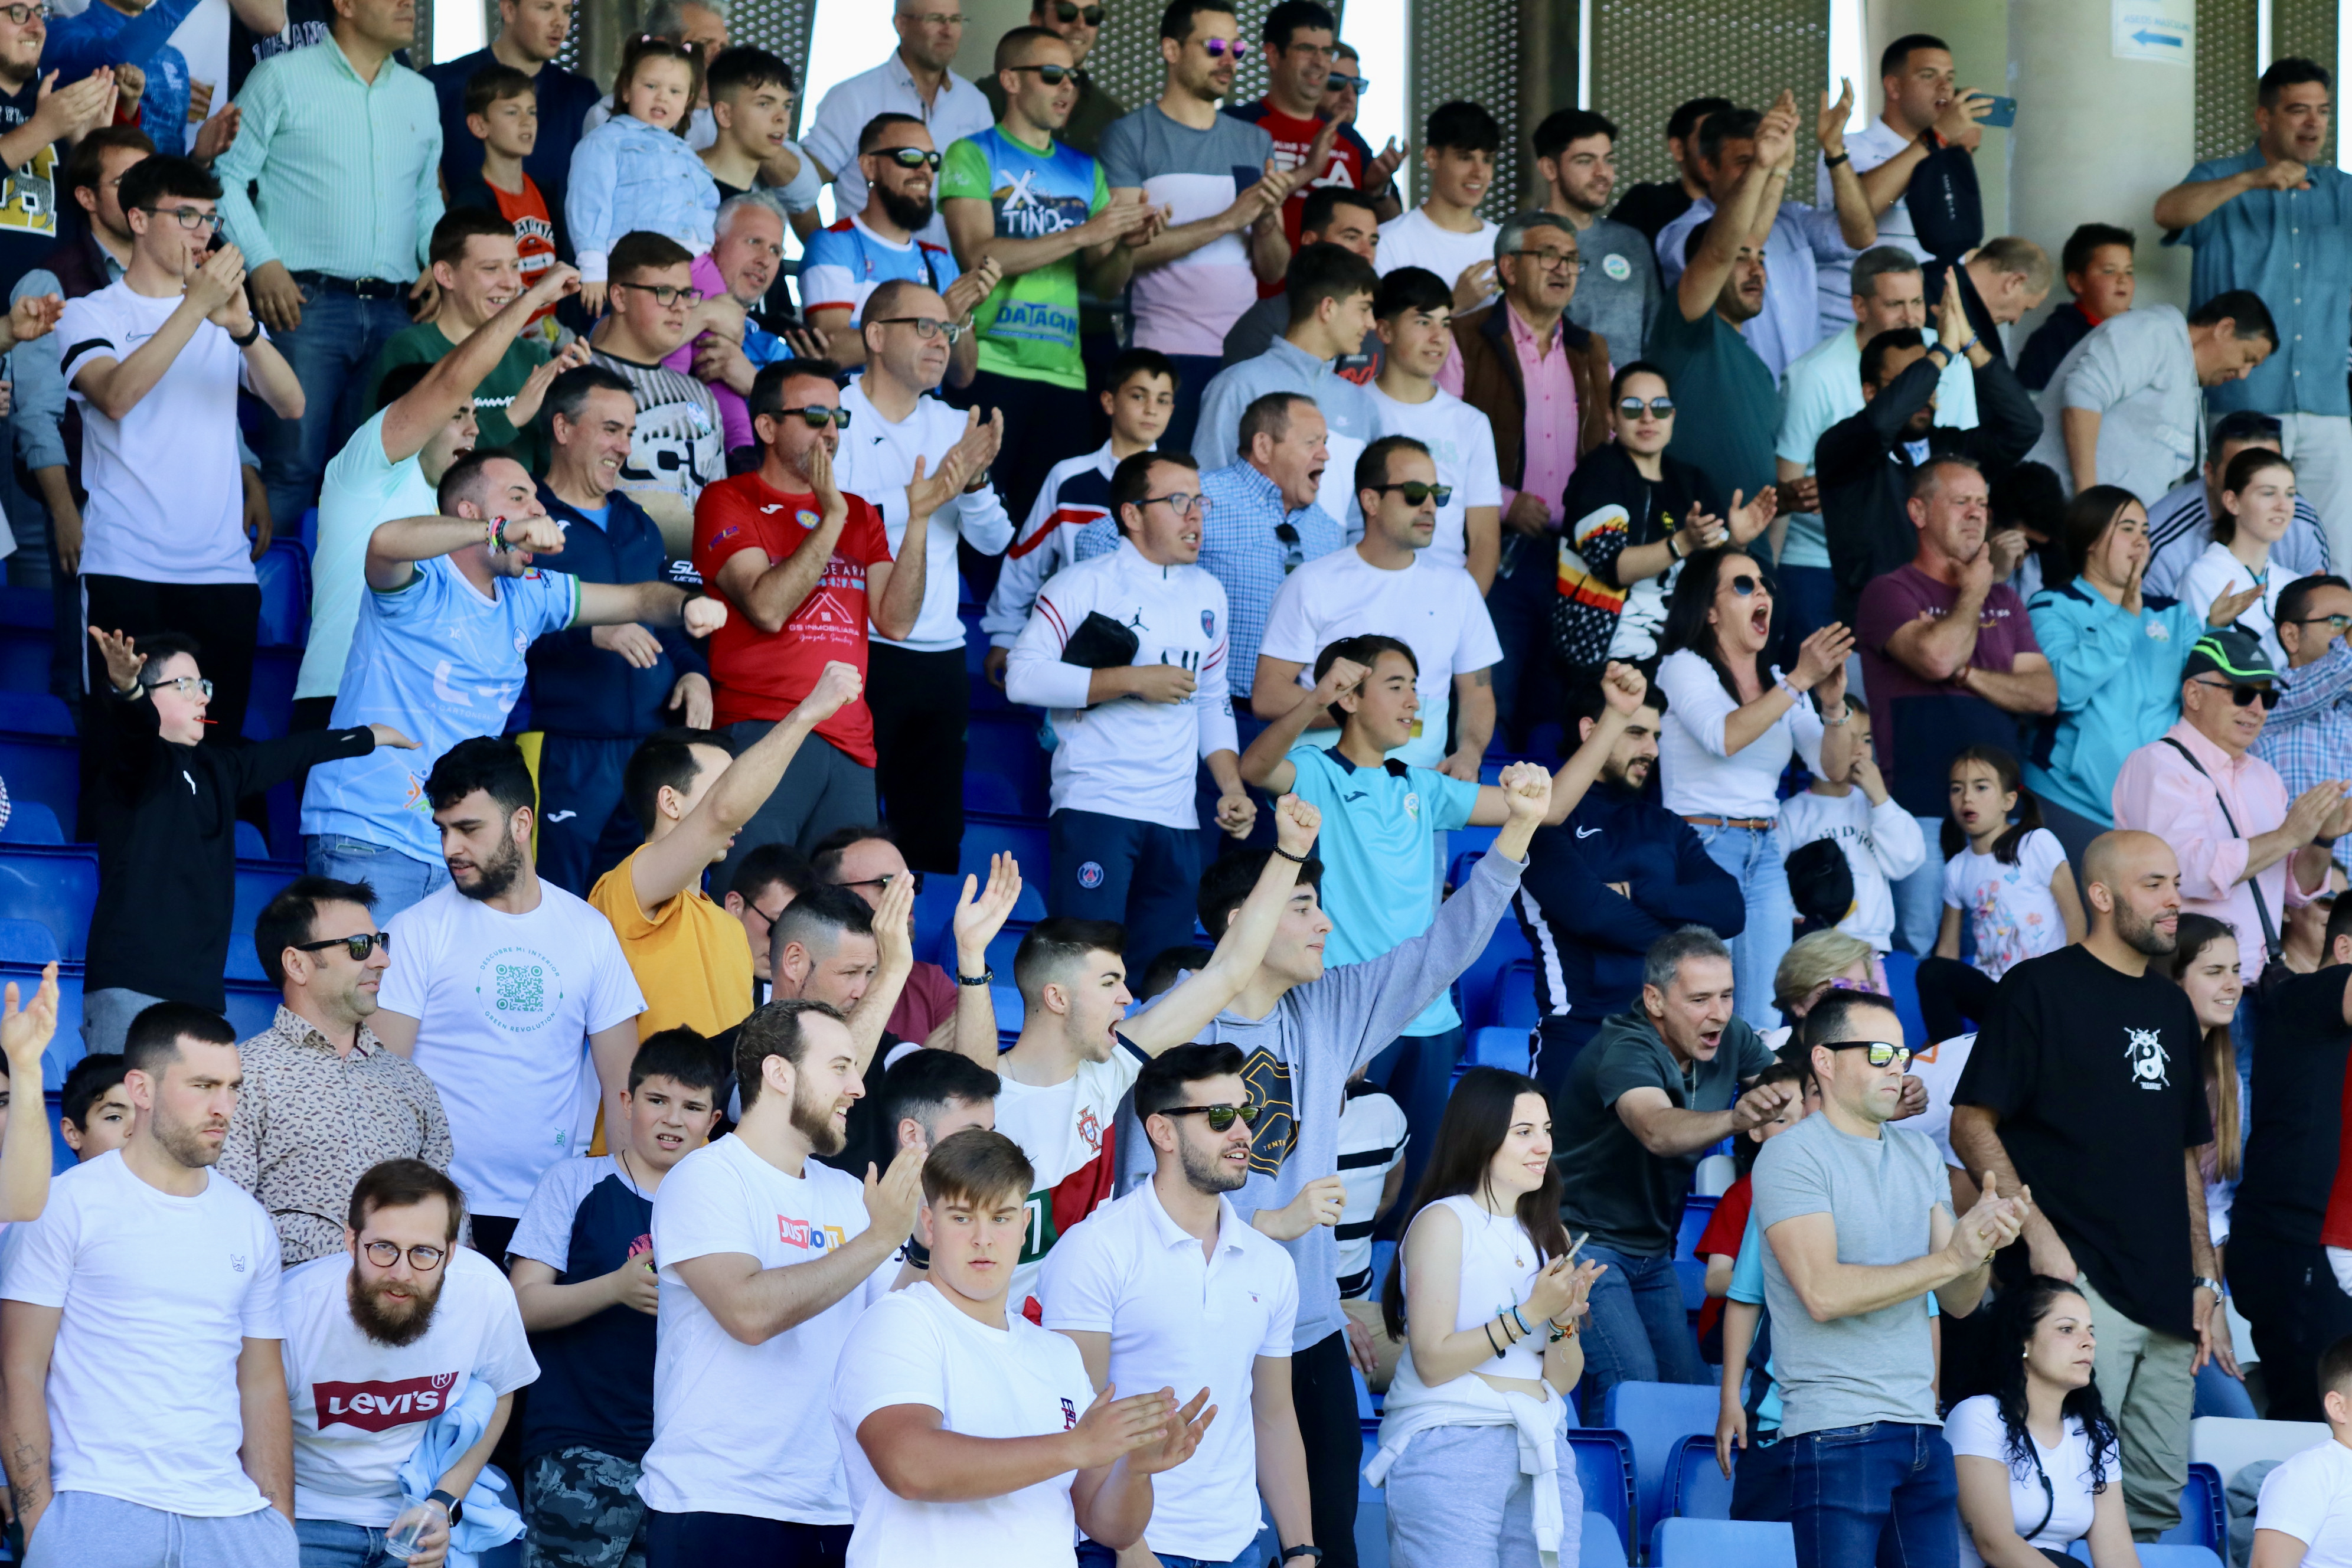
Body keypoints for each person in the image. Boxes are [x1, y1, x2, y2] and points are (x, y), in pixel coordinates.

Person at [1121, 763, 1554, 1563]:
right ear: (1241, 922)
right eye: (1303, 906)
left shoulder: (1326, 1008)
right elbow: (1131, 1195)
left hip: (1306, 1323)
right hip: (1186, 1320)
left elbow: (1440, 954)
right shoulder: (1165, 1026)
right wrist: (1265, 1223)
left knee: (1324, 1540)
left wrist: (1517, 830)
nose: (1326, 924)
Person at [1240, 642, 1641, 1208]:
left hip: (1431, 1017)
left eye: (1416, 686)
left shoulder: (1421, 786)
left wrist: (1617, 718)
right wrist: (1315, 701)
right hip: (1351, 1015)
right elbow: (1254, 767)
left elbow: (1548, 809)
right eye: (1397, 685)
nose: (1415, 700)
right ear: (1350, 696)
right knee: (1339, 1187)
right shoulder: (1315, 771)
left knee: (1423, 1192)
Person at [1951, 829, 2231, 1541]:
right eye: (2154, 886)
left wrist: (2206, 1276)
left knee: (2154, 1507)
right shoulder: (2038, 988)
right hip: (2078, 1288)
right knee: (2063, 1498)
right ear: (2101, 896)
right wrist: (2041, 1240)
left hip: (2169, 1295)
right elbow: (1970, 1125)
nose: (2174, 901)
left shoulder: (2173, 1008)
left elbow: (2181, 1153)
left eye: (2175, 883)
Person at [301, 449, 724, 918]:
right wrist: (500, 531)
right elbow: (384, 541)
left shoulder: (531, 592)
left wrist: (685, 607)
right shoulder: (422, 578)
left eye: (539, 503)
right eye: (520, 497)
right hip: (369, 835)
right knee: (359, 989)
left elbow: (641, 600)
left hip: (459, 848)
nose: (540, 511)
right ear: (470, 512)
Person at [990, 798, 1320, 1317]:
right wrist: (969, 963)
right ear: (1057, 998)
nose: (1128, 997)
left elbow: (1229, 969)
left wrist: (1288, 855)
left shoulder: (1111, 1071)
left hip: (1073, 1342)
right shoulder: (984, 1097)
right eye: (1109, 983)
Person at [0, 1005, 295, 1566]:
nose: (223, 1108)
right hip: (97, 1512)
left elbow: (261, 1384)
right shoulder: (65, 1205)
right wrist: (42, 1525)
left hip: (233, 1519)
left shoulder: (248, 1220)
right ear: (141, 1087)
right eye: (204, 1085)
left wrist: (276, 1525)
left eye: (233, 1087)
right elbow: (18, 1368)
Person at [832, 1127, 1207, 1567]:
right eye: (961, 1217)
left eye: (1001, 1217)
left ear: (1025, 1225)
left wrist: (1135, 1470)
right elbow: (910, 1467)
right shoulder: (898, 1322)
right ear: (929, 1226)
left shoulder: (1058, 1354)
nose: (983, 1238)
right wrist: (1074, 1447)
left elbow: (1109, 1528)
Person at [633, 999, 921, 1563]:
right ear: (779, 1072)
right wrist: (878, 1239)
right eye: (840, 1067)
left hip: (834, 1506)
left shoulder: (846, 1194)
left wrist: (923, 1250)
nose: (858, 1088)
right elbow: (748, 1313)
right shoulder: (706, 1177)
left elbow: (885, 1333)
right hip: (717, 1505)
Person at [1759, 988, 2024, 1567]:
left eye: (1902, 1053)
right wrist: (1952, 1257)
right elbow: (1824, 1294)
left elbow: (1957, 1302)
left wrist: (1981, 1248)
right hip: (1836, 1431)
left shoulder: (1918, 1155)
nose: (1898, 1066)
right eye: (1878, 1052)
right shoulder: (1791, 1155)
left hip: (1922, 1430)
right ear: (1824, 1061)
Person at [370, 739, 649, 1263]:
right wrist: (415, 1205)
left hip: (557, 1209)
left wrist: (625, 1211)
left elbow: (623, 1089)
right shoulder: (414, 932)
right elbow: (385, 1091)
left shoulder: (589, 931)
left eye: (469, 829)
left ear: (522, 823)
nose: (451, 847)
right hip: (438, 1211)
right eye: (444, 830)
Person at [1040, 1041, 1318, 1566]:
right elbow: (1077, 1415)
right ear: (1161, 1131)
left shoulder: (1271, 1264)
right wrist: (1129, 1545)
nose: (1241, 1132)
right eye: (1218, 1116)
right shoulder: (1097, 1247)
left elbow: (1274, 1415)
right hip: (1121, 1545)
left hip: (1239, 1545)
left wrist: (1300, 1549)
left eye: (1246, 1113)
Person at [64, 152, 303, 742]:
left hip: (221, 572)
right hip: (126, 567)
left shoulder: (224, 314)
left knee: (215, 751)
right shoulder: (89, 312)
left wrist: (244, 329)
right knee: (125, 751)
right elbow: (116, 396)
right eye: (187, 216)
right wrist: (196, 308)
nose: (204, 233)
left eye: (210, 219)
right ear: (139, 219)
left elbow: (291, 403)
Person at [74, 625, 397, 1060]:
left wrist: (369, 737)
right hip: (131, 986)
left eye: (202, 686)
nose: (202, 698)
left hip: (201, 996)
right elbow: (135, 733)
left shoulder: (216, 769)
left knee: (186, 1125)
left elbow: (289, 754)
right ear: (151, 695)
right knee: (125, 1121)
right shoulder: (131, 762)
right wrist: (128, 689)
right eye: (185, 686)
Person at [295, 257, 582, 731]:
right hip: (342, 700)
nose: (474, 427)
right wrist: (532, 300)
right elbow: (451, 380)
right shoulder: (368, 469)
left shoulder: (459, 507)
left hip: (429, 712)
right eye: (457, 415)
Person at [1005, 449, 1249, 963]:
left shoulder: (1210, 593)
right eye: (1178, 500)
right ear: (1132, 514)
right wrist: (1131, 680)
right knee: (1085, 967)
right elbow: (1022, 676)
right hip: (1097, 803)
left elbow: (1211, 698)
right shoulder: (1085, 581)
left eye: (1199, 500)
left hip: (1179, 817)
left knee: (1163, 981)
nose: (1195, 514)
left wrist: (1230, 786)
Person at [694, 362, 934, 883]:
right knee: (752, 898)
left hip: (850, 739)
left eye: (839, 418)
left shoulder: (858, 513)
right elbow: (767, 607)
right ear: (766, 427)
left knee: (843, 915)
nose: (831, 431)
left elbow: (896, 622)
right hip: (763, 727)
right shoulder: (728, 498)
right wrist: (830, 521)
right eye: (816, 415)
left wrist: (918, 524)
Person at [215, 0, 443, 537]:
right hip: (304, 306)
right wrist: (262, 262)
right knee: (292, 473)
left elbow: (426, 196)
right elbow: (224, 178)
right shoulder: (281, 77)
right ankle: (266, 616)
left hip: (397, 310)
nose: (408, 5)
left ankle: (345, 619)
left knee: (372, 478)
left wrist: (436, 257)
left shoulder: (420, 92)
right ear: (343, 5)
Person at [1364, 1066, 1603, 1568]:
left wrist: (1561, 1321)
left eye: (1547, 1131)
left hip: (1540, 1442)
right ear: (1481, 1136)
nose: (1543, 1146)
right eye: (1523, 1133)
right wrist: (1530, 1313)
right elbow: (1432, 1360)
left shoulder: (1548, 1233)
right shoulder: (1444, 1221)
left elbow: (1560, 1378)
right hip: (1451, 1440)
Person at [509, 1030, 723, 1568]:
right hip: (582, 1445)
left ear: (714, 1122)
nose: (674, 1120)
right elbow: (521, 1306)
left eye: (693, 1107)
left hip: (688, 1458)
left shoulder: (726, 1206)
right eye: (657, 1100)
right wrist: (615, 1287)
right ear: (626, 1102)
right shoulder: (574, 1182)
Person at [1551, 925, 1787, 1398]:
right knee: (1632, 1384)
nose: (1718, 1014)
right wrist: (1736, 1118)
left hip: (1653, 1253)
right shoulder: (1627, 1048)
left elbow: (1792, 1089)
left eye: (1727, 996)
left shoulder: (1732, 1036)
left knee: (1692, 1393)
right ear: (1654, 1001)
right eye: (1700, 1000)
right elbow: (1657, 1130)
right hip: (1582, 1245)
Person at [589, 665, 865, 1057]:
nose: (742, 812)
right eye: (722, 784)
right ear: (669, 801)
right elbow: (722, 812)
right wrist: (806, 714)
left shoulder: (728, 927)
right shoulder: (627, 887)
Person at [834, 276, 1012, 874]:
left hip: (938, 657)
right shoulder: (837, 414)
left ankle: (915, 968)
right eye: (926, 327)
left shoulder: (955, 424)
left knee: (931, 844)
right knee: (842, 834)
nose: (942, 341)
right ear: (877, 335)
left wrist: (977, 481)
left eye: (950, 329)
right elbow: (832, 524)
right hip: (857, 648)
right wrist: (920, 501)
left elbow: (994, 540)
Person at [279, 1158, 537, 1568]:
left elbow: (502, 1389)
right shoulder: (292, 1312)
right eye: (383, 1248)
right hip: (306, 1517)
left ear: (451, 1253)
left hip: (417, 1511)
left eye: (423, 1252)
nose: (401, 1273)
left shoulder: (483, 1292)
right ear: (351, 1241)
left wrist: (444, 1502)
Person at [941, 25, 1152, 524]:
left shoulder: (1087, 169)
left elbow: (1103, 283)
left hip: (1064, 372)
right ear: (1010, 80)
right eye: (1053, 74)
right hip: (988, 362)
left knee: (1041, 533)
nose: (1068, 88)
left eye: (1074, 77)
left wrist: (1127, 247)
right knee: (973, 521)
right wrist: (1083, 234)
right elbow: (977, 253)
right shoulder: (972, 153)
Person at [1856, 455, 2056, 958]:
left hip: (2000, 818)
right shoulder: (1890, 592)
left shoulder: (2007, 603)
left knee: (1998, 953)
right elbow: (1937, 655)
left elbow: (2043, 695)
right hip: (1919, 809)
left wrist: (1965, 674)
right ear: (1919, 512)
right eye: (1961, 501)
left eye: (1983, 504)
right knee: (1919, 953)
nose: (1976, 514)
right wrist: (1972, 593)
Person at [2155, 58, 2352, 566]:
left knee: (2333, 554)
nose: (2314, 123)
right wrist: (2251, 181)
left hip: (2328, 402)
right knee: (2238, 548)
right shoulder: (2219, 178)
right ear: (2264, 118)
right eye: (2298, 111)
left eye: (2323, 112)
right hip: (2244, 401)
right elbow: (2167, 212)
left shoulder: (2342, 192)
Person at [528, 363, 712, 895]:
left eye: (630, 432)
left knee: (643, 908)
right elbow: (498, 622)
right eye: (611, 429)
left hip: (651, 752)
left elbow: (671, 623)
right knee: (556, 901)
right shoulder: (529, 518)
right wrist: (591, 632)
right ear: (563, 429)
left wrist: (694, 675)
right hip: (567, 749)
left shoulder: (641, 522)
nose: (624, 447)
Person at [1654, 545, 1856, 1028]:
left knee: (1764, 1021)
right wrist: (1800, 680)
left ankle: (1751, 1106)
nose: (1761, 591)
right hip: (1700, 848)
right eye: (1744, 585)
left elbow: (1834, 769)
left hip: (1764, 852)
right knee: (1701, 1014)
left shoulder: (1775, 680)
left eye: (1764, 584)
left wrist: (1832, 706)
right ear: (1708, 609)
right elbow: (1723, 736)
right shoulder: (1683, 665)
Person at [1515, 679, 1745, 1089]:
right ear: (1592, 732)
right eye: (1637, 733)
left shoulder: (1666, 825)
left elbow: (1730, 909)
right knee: (1560, 1156)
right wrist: (1686, 927)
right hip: (1582, 1037)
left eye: (1655, 736)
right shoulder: (1542, 817)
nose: (1653, 751)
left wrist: (1636, 892)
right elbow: (1592, 914)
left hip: (1671, 1044)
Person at [1099, 0, 1305, 451]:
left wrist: (1267, 223)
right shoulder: (1131, 134)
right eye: (1214, 47)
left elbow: (1272, 270)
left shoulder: (1254, 140)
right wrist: (1227, 220)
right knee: (1168, 496)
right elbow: (1121, 252)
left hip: (1245, 355)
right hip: (1164, 354)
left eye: (1238, 48)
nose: (1229, 60)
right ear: (1170, 49)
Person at [1438, 210, 1611, 731]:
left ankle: (1543, 813)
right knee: (1495, 698)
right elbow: (1441, 447)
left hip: (1577, 559)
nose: (1565, 269)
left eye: (1573, 258)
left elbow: (1604, 445)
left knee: (1558, 709)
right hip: (1498, 551)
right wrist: (1508, 502)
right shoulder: (1466, 337)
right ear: (1509, 268)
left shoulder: (1590, 348)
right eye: (1549, 256)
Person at [224, 876, 456, 1266]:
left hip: (404, 1301)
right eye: (360, 947)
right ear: (297, 964)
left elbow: (449, 1222)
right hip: (291, 1302)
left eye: (380, 943)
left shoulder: (412, 1084)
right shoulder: (241, 1077)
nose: (382, 960)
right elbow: (224, 1224)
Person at [2027, 486, 2259, 870]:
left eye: (2147, 532)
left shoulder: (2172, 613)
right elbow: (2062, 691)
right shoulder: (2053, 605)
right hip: (2069, 800)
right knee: (2080, 928)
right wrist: (2124, 619)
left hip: (2154, 809)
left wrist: (2215, 630)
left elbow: (2200, 701)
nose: (2141, 541)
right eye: (2128, 529)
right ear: (2090, 538)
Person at [2112, 628, 2351, 998]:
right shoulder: (2159, 764)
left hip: (2258, 983)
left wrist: (2321, 839)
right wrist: (2289, 835)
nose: (2256, 709)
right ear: (2193, 694)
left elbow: (2294, 890)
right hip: (2186, 986)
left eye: (2267, 697)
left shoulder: (2265, 777)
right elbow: (2185, 872)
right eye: (2242, 694)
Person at [1252, 436, 1504, 773]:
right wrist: (1364, 711)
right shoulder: (1313, 581)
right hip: (1320, 795)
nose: (1429, 505)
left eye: (1437, 494)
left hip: (1421, 800)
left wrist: (1470, 754)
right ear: (1371, 500)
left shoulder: (1459, 588)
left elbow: (1477, 693)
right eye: (1415, 493)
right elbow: (1268, 696)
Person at [1776, 246, 1982, 633]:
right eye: (1895, 304)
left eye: (1918, 301)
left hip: (1926, 561)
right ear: (1860, 306)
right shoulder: (1814, 374)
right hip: (1818, 561)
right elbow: (1783, 486)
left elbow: (1967, 461)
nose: (1911, 316)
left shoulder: (1949, 357)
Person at [1817, 273, 2039, 622]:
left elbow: (2025, 427)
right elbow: (1878, 425)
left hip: (1956, 625)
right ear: (1871, 393)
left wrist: (1968, 343)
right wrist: (1940, 353)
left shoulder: (1954, 448)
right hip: (1876, 634)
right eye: (1910, 382)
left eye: (1930, 381)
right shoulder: (1844, 447)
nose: (1924, 393)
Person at [1554, 360, 1768, 672]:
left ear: (1673, 417)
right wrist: (1681, 543)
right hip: (1605, 660)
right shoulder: (1599, 473)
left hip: (1682, 655)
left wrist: (1736, 542)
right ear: (1612, 417)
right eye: (1631, 408)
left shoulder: (1690, 480)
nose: (1647, 417)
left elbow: (1713, 577)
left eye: (1660, 407)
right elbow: (1611, 566)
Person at [981, 347, 1178, 674]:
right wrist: (1004, 633)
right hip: (1069, 651)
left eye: (1162, 400)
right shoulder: (1068, 478)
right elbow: (1028, 559)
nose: (1151, 410)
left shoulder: (1181, 486)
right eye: (1138, 396)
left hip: (1153, 653)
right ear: (1109, 402)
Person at [2230, 899, 2352, 1423]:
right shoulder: (2305, 996)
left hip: (2318, 1244)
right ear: (2345, 950)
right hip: (2291, 1243)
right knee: (2314, 1423)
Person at [1647, 93, 1799, 510]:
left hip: (1750, 558)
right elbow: (1719, 251)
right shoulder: (1689, 331)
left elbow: (1748, 239)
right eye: (1741, 260)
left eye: (1761, 260)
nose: (1756, 270)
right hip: (1691, 554)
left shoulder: (1754, 366)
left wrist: (1782, 168)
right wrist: (1764, 166)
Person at [1655, 90, 1877, 376]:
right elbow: (1736, 245)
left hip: (1802, 401)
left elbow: (1862, 235)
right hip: (1740, 399)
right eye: (1744, 162)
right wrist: (1775, 170)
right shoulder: (1682, 232)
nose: (1761, 166)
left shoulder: (1792, 218)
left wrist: (1834, 150)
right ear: (1709, 167)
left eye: (1765, 159)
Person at [1944, 1276, 2135, 1566]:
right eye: (2067, 1329)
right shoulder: (1979, 1416)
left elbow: (2117, 1552)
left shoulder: (2095, 1433)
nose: (2089, 1342)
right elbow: (1995, 1544)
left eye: (2090, 1331)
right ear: (2023, 1340)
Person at [2026, 290, 2278, 507]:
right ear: (2225, 329)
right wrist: (2088, 501)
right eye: (2247, 358)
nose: (2243, 374)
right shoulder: (2155, 331)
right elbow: (2083, 393)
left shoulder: (2187, 377)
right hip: (2058, 512)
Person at [368, 208, 570, 473]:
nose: (511, 283)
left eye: (514, 266)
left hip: (523, 511)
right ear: (445, 275)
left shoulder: (534, 356)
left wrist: (574, 406)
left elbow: (552, 472)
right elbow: (407, 462)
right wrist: (511, 418)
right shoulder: (410, 350)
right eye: (491, 269)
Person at [1194, 241, 1381, 528]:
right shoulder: (1238, 386)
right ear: (1328, 308)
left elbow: (1363, 520)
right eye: (1364, 309)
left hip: (1339, 571)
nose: (1371, 324)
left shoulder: (1362, 406)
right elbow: (1206, 496)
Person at [799, 116, 992, 380]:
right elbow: (834, 351)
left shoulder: (939, 260)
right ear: (869, 166)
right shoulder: (833, 243)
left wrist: (959, 316)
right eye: (910, 157)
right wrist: (939, 315)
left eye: (932, 160)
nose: (925, 170)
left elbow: (963, 376)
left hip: (922, 415)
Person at [801, 0, 995, 255]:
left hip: (944, 279)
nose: (948, 31)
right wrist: (827, 253)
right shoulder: (854, 97)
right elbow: (799, 186)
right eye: (935, 19)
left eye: (955, 20)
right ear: (901, 24)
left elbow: (989, 199)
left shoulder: (975, 103)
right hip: (868, 279)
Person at [1920, 746, 2086, 1038]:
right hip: (1996, 995)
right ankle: (1946, 1054)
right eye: (1957, 789)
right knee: (1932, 971)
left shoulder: (2036, 843)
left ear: (2009, 800)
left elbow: (2076, 920)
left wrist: (2071, 991)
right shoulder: (1957, 868)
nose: (1967, 798)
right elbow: (1948, 950)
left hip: (2043, 992)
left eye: (1981, 787)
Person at [2165, 913, 2259, 1420]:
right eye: (2214, 971)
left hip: (2199, 1281)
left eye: (2238, 970)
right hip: (2142, 1280)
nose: (2233, 985)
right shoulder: (2148, 1069)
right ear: (2175, 980)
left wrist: (2212, 1297)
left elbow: (2215, 1206)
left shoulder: (2227, 1078)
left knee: (2236, 1421)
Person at [1224, 0, 1403, 255]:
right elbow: (1220, 212)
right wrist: (1309, 171)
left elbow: (1394, 226)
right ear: (1274, 55)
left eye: (1327, 51)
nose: (1320, 62)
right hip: (1254, 292)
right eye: (1307, 49)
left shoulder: (1349, 139)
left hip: (1336, 292)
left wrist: (1376, 190)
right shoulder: (1236, 124)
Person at [1816, 34, 1994, 286]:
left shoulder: (1942, 154)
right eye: (1929, 75)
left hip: (1920, 315)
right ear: (1894, 87)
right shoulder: (1849, 146)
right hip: (1851, 316)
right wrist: (1936, 136)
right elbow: (1862, 210)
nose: (1945, 86)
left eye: (1950, 78)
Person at [1362, 266, 1499, 589]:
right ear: (1384, 331)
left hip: (1446, 591)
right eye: (1423, 322)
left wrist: (1463, 615)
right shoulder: (1350, 410)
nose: (1438, 338)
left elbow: (1484, 540)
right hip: (1365, 590)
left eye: (1446, 324)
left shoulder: (1471, 423)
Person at [582, 230, 731, 517]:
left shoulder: (702, 396)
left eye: (687, 294)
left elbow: (717, 507)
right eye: (664, 292)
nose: (680, 307)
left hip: (691, 561)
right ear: (619, 297)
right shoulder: (574, 374)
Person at [423, 0, 601, 234]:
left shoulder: (582, 97)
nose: (560, 22)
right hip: (467, 256)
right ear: (508, 9)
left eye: (566, 10)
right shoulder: (442, 85)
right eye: (546, 7)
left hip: (559, 260)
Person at [567, 40, 719, 305]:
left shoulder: (687, 153)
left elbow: (708, 204)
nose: (662, 97)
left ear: (688, 102)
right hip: (643, 263)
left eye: (675, 91)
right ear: (625, 91)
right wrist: (592, 268)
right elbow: (589, 202)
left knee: (725, 325)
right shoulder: (606, 141)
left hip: (697, 262)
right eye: (651, 86)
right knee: (668, 339)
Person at [1778, 696, 1926, 959]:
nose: (1860, 750)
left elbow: (1907, 861)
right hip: (1816, 947)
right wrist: (1797, 919)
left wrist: (1881, 799)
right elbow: (1775, 880)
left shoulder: (1876, 805)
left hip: (1870, 945)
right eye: (1848, 738)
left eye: (1867, 740)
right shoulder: (1793, 813)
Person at [2146, 410, 2333, 600]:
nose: (2282, 505)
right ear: (2210, 473)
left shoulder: (2302, 521)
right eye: (2244, 470)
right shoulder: (2160, 535)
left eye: (2272, 467)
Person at [668, 196, 796, 456]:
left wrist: (755, 385)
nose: (766, 260)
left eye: (775, 251)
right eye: (754, 242)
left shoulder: (774, 352)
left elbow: (806, 440)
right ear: (714, 244)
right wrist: (705, 314)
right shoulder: (653, 309)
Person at [1535, 107, 1658, 360]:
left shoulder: (1632, 243)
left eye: (1608, 160)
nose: (1603, 172)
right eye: (1585, 161)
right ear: (1549, 169)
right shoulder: (1523, 241)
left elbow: (1654, 339)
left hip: (1628, 397)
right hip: (1553, 396)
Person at [443, 65, 566, 309]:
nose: (527, 122)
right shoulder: (470, 202)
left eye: (532, 112)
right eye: (512, 112)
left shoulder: (548, 194)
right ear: (479, 126)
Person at [2179, 446, 2312, 669]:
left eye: (2290, 494)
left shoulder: (2293, 583)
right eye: (2269, 493)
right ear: (2232, 502)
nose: (2283, 506)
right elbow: (2213, 672)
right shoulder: (2203, 576)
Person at [2258, 573, 2352, 877]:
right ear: (2291, 636)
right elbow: (2338, 668)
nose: (2347, 634)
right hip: (2293, 896)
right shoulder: (2263, 697)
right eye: (2339, 622)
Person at [1374, 100, 1502, 311]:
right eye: (1465, 158)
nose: (1479, 172)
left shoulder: (1504, 245)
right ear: (1432, 158)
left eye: (1487, 160)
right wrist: (1455, 305)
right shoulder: (1389, 243)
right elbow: (1382, 335)